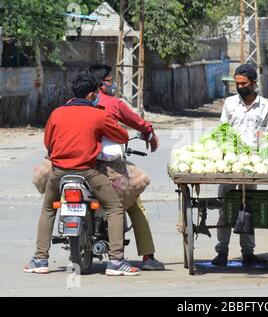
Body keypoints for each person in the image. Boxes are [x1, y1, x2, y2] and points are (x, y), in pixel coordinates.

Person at [24, 72, 141, 276]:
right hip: (87, 172)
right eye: (96, 93)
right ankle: (116, 261)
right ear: (90, 95)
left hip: (58, 172)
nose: (97, 96)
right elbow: (122, 136)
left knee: (48, 209)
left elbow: (47, 143)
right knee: (114, 207)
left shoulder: (57, 113)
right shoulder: (99, 114)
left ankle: (40, 259)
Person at [88, 64, 164, 271]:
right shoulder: (112, 104)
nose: (113, 84)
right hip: (109, 165)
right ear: (101, 84)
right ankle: (147, 257)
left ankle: (41, 257)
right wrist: (149, 132)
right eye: (110, 80)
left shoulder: (73, 104)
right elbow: (137, 123)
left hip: (76, 165)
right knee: (134, 203)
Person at [212, 64, 268, 266]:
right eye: (237, 83)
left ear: (254, 83)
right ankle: (222, 251)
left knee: (248, 207)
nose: (239, 87)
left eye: (243, 84)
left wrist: (263, 158)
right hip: (230, 162)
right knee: (224, 206)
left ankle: (248, 251)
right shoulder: (229, 103)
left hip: (252, 164)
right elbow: (222, 131)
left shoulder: (265, 106)